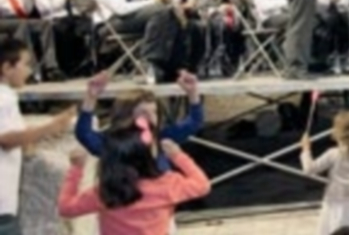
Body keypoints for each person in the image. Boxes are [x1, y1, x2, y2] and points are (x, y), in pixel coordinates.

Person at [58, 131, 210, 235]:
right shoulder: (167, 184)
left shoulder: (105, 192)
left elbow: (66, 208)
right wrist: (178, 155)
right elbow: (202, 185)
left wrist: (76, 169)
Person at [0, 39, 74, 235]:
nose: (29, 71)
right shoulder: (3, 98)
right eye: (25, 64)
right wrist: (51, 127)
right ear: (7, 68)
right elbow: (6, 139)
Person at [75, 70, 203, 171]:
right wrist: (91, 96)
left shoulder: (160, 139)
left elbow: (194, 122)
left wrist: (192, 93)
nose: (151, 117)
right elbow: (84, 133)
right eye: (143, 113)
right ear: (126, 115)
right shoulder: (113, 145)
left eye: (154, 112)